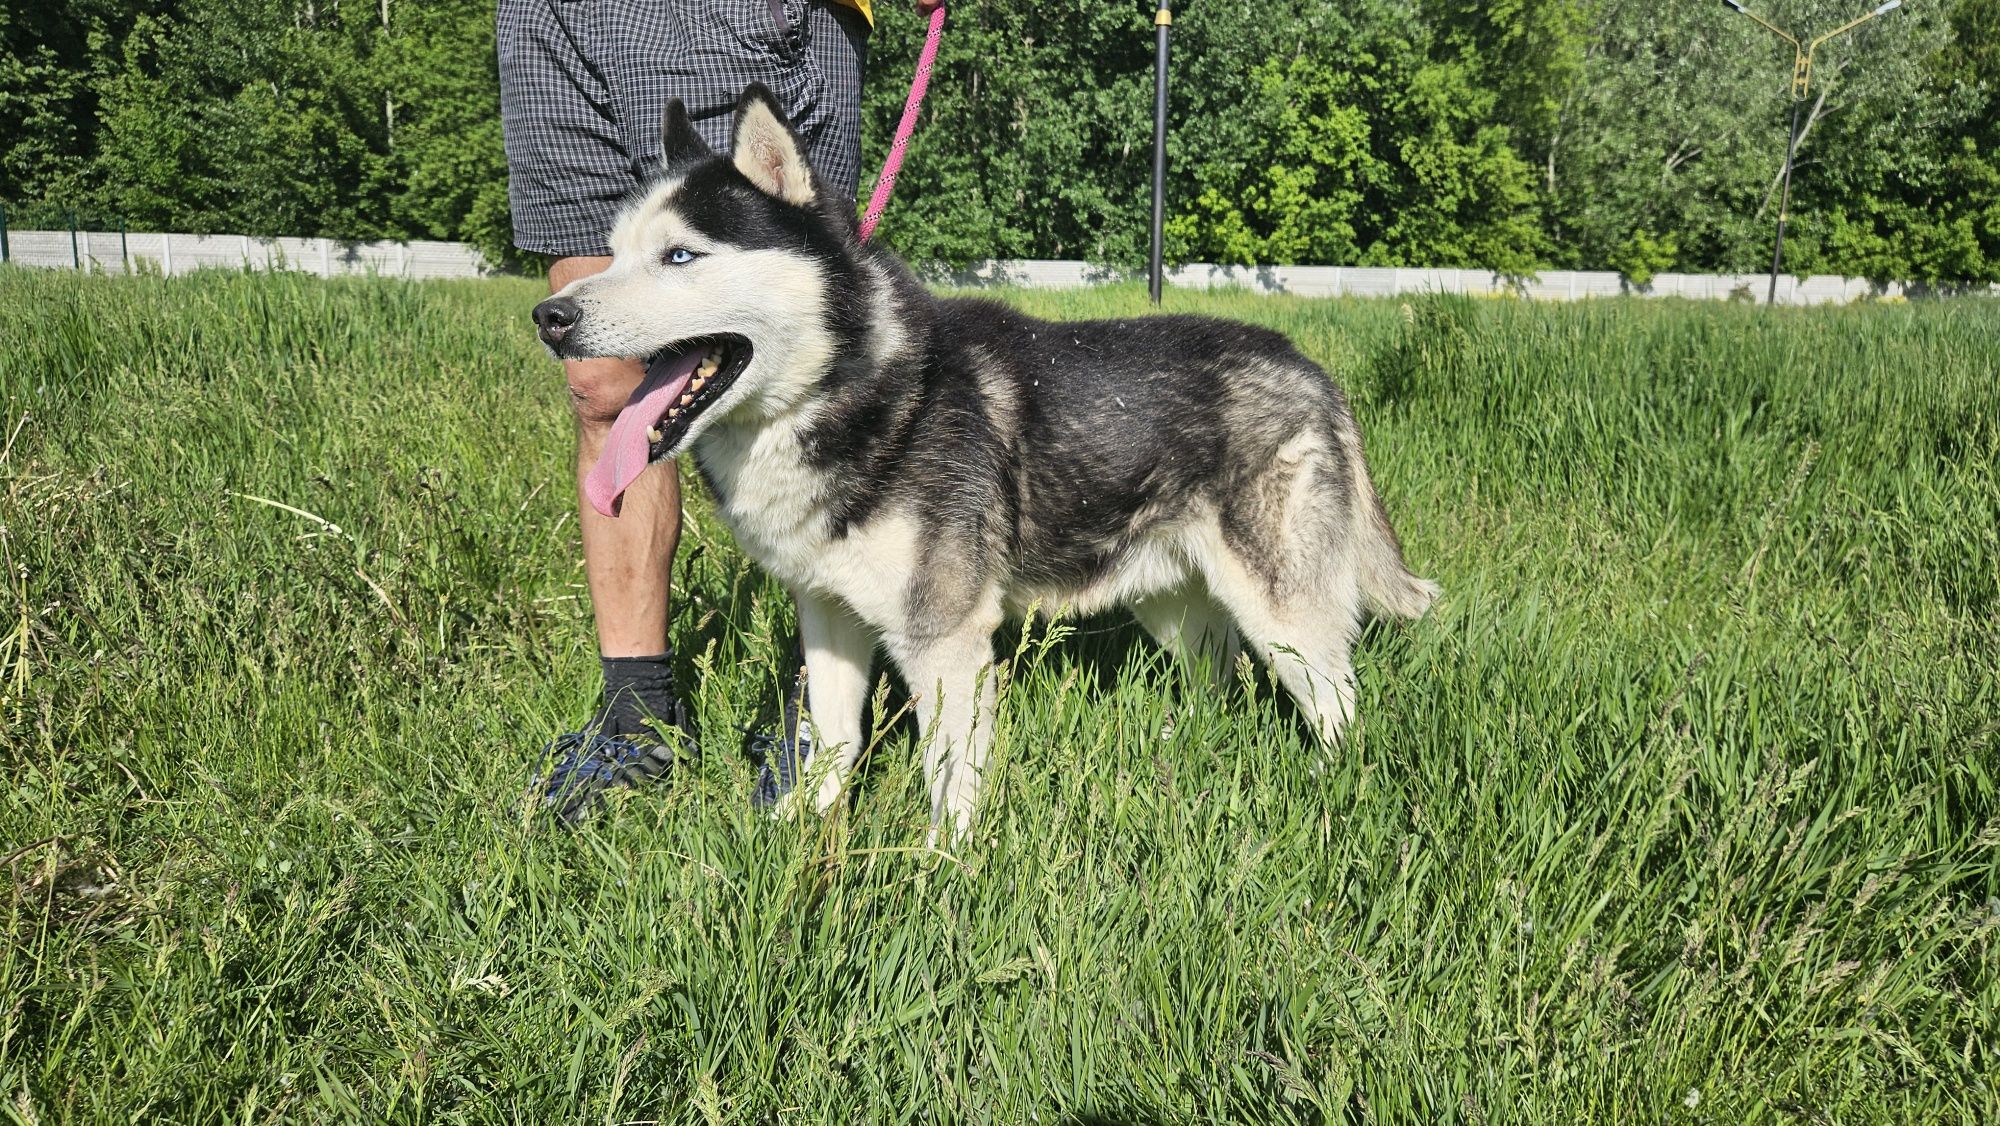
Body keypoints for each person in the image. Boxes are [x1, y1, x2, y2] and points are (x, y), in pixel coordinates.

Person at [497, 0, 881, 822]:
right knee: (600, 375)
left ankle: (825, 706)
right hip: (549, 19)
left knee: (791, 366)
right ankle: (637, 721)